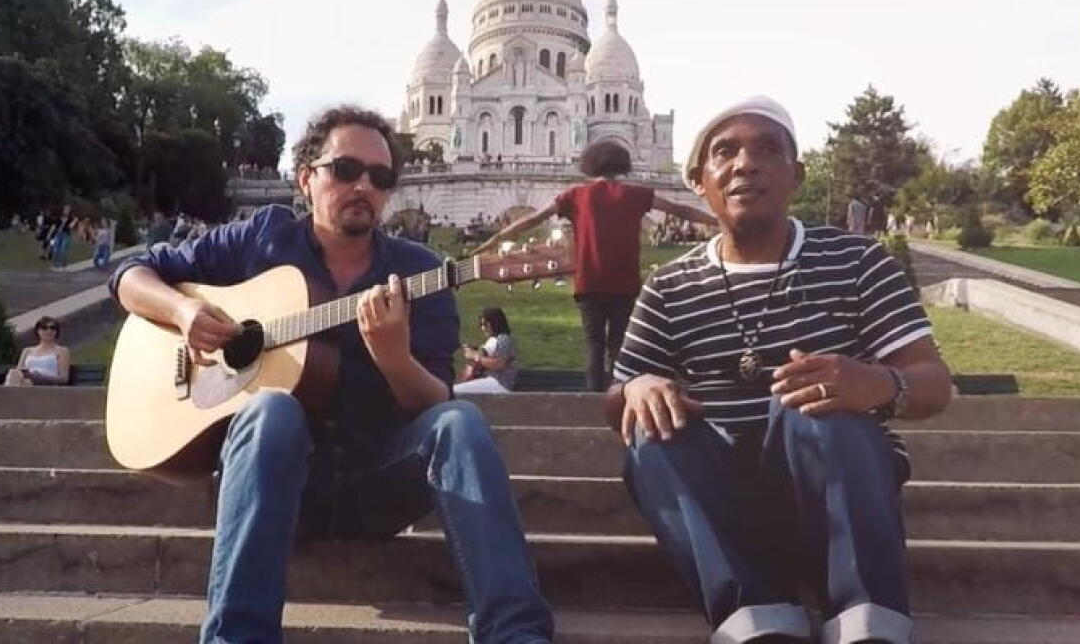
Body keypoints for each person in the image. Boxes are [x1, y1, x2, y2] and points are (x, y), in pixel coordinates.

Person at [110, 105, 552, 643]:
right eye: (346, 170)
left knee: (460, 421)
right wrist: (184, 314)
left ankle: (516, 634)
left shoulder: (422, 273)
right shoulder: (262, 238)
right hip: (273, 486)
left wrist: (394, 358)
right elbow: (132, 274)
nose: (364, 185)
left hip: (378, 483)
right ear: (306, 178)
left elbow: (436, 398)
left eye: (381, 177)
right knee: (272, 408)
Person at [606, 96, 952, 644]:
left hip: (832, 492)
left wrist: (877, 384)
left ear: (797, 174)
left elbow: (933, 383)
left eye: (768, 149)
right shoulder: (669, 287)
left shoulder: (860, 262)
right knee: (651, 430)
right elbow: (615, 399)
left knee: (816, 406)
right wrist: (637, 387)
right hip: (721, 512)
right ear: (699, 180)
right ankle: (758, 623)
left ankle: (869, 624)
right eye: (725, 152)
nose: (746, 163)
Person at [472, 140, 717, 392]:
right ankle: (620, 396)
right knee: (619, 345)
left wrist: (497, 238)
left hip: (589, 282)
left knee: (594, 345)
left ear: (590, 165)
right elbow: (680, 209)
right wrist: (717, 221)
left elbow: (533, 218)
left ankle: (592, 401)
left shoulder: (576, 196)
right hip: (625, 282)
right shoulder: (636, 194)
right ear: (622, 164)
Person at [456, 307, 518, 393]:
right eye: (481, 325)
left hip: (500, 383)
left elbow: (498, 364)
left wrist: (474, 355)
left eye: (485, 324)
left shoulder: (504, 339)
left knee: (456, 392)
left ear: (495, 323)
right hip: (490, 381)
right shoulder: (493, 340)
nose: (483, 328)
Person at [4, 315, 72, 386]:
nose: (49, 331)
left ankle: (7, 395)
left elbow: (64, 378)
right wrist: (28, 375)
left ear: (56, 331)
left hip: (47, 384)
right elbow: (19, 371)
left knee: (24, 383)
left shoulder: (62, 351)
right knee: (13, 373)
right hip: (26, 381)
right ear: (38, 331)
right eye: (44, 328)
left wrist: (37, 377)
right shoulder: (27, 350)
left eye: (52, 328)